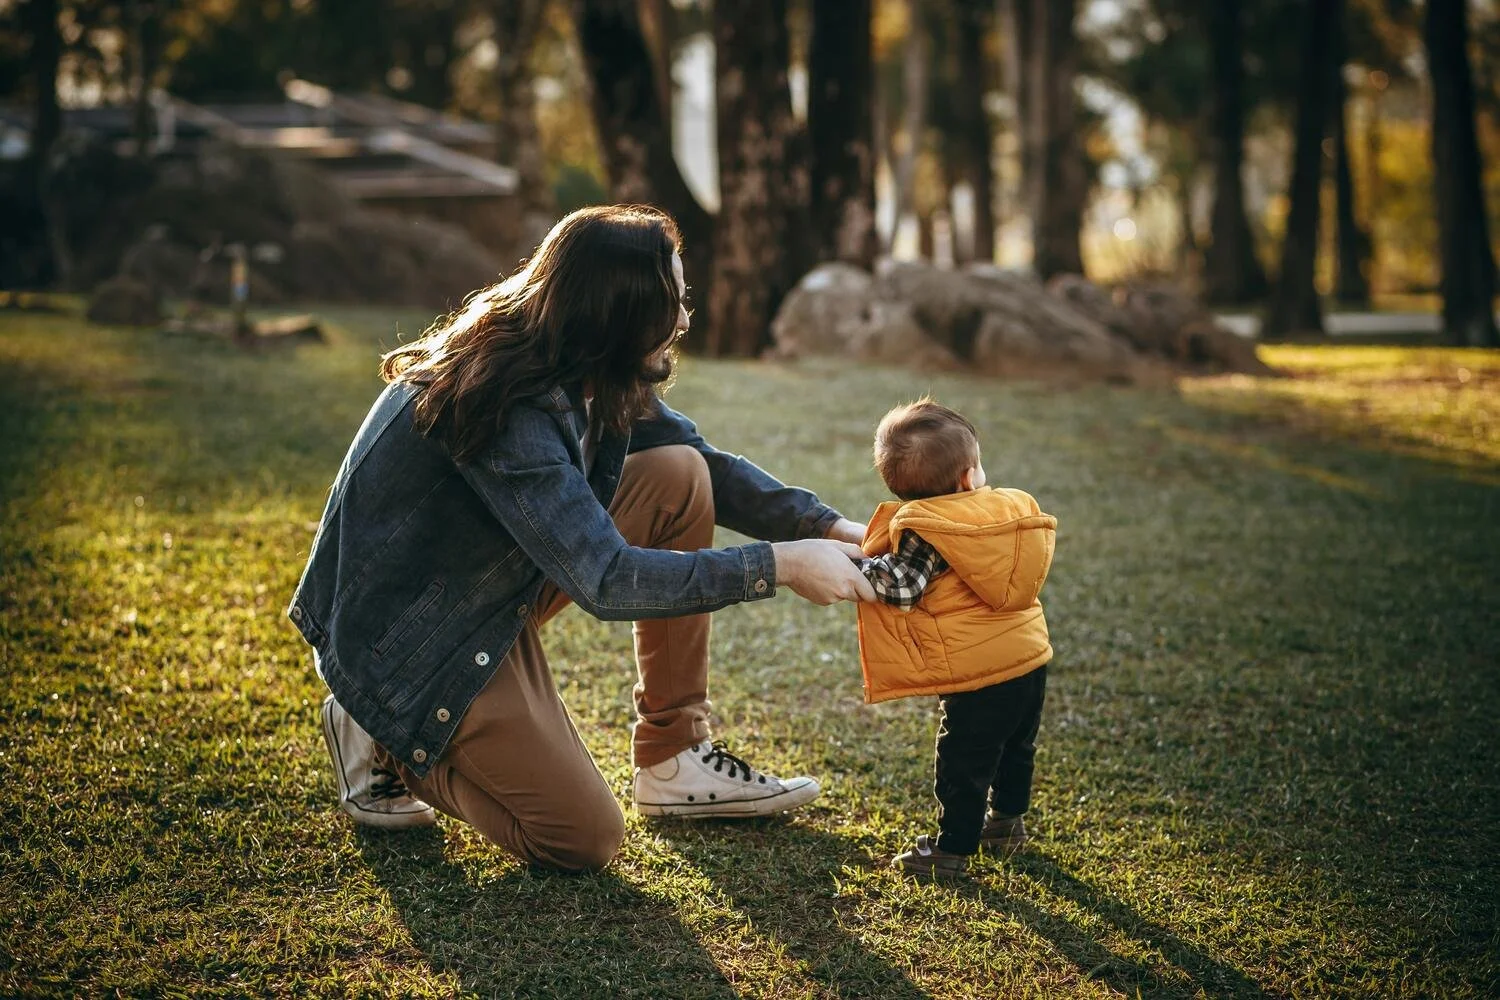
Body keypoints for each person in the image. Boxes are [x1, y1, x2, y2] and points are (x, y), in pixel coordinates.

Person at [289, 205, 874, 873]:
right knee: (581, 837)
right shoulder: (508, 402)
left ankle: (673, 756)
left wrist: (831, 527)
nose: (684, 319)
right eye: (670, 302)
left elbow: (700, 460)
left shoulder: (583, 353)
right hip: (414, 638)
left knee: (678, 476)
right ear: (617, 310)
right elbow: (605, 577)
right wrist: (783, 565)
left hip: (483, 583)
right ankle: (384, 734)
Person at [855, 398, 1057, 879]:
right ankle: (1007, 823)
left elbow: (903, 589)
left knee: (964, 760)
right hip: (1030, 657)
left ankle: (951, 848)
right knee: (1016, 747)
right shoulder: (1008, 509)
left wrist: (862, 567)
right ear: (968, 477)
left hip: (978, 676)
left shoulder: (928, 531)